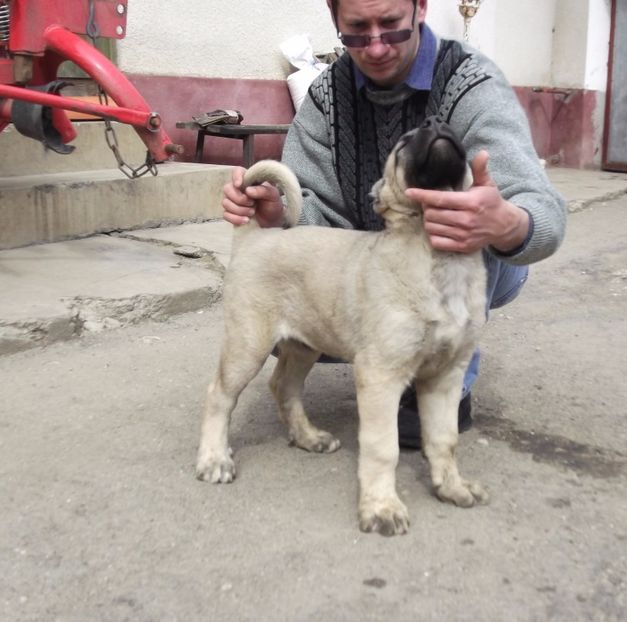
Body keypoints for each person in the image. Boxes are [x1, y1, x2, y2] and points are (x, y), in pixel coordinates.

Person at [220, 0, 567, 448]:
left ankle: (443, 376)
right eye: (357, 31)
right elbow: (315, 214)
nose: (377, 47)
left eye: (391, 26)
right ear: (333, 18)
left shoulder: (470, 82)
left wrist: (506, 223)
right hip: (375, 277)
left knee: (465, 228)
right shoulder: (326, 98)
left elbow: (545, 210)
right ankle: (396, 359)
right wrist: (280, 213)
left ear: (420, 7)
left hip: (470, 262)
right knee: (273, 296)